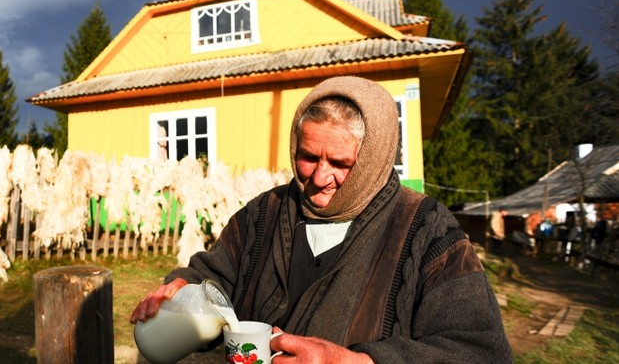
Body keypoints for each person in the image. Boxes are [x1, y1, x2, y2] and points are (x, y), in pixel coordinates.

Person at [130, 76, 511, 363]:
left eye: (342, 163)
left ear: (376, 157)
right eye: (309, 156)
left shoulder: (426, 231)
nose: (319, 177)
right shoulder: (264, 213)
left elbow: (480, 350)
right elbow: (214, 277)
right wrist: (181, 288)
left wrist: (359, 361)